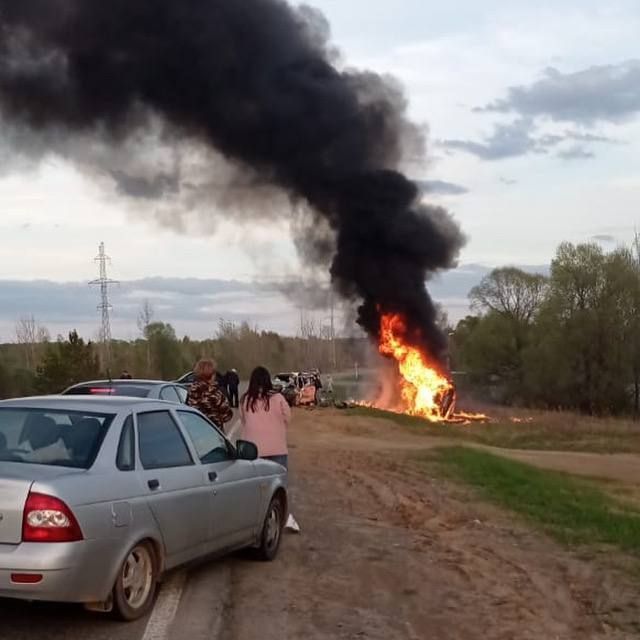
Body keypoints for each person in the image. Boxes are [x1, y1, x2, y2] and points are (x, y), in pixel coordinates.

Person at [240, 366, 290, 469]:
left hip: (253, 450)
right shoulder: (278, 397)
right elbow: (288, 417)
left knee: (256, 483)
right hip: (277, 448)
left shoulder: (245, 399)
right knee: (277, 482)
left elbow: (243, 420)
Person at [187, 358, 233, 431]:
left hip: (195, 433)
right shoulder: (215, 393)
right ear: (212, 375)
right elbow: (227, 416)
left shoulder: (191, 391)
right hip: (213, 433)